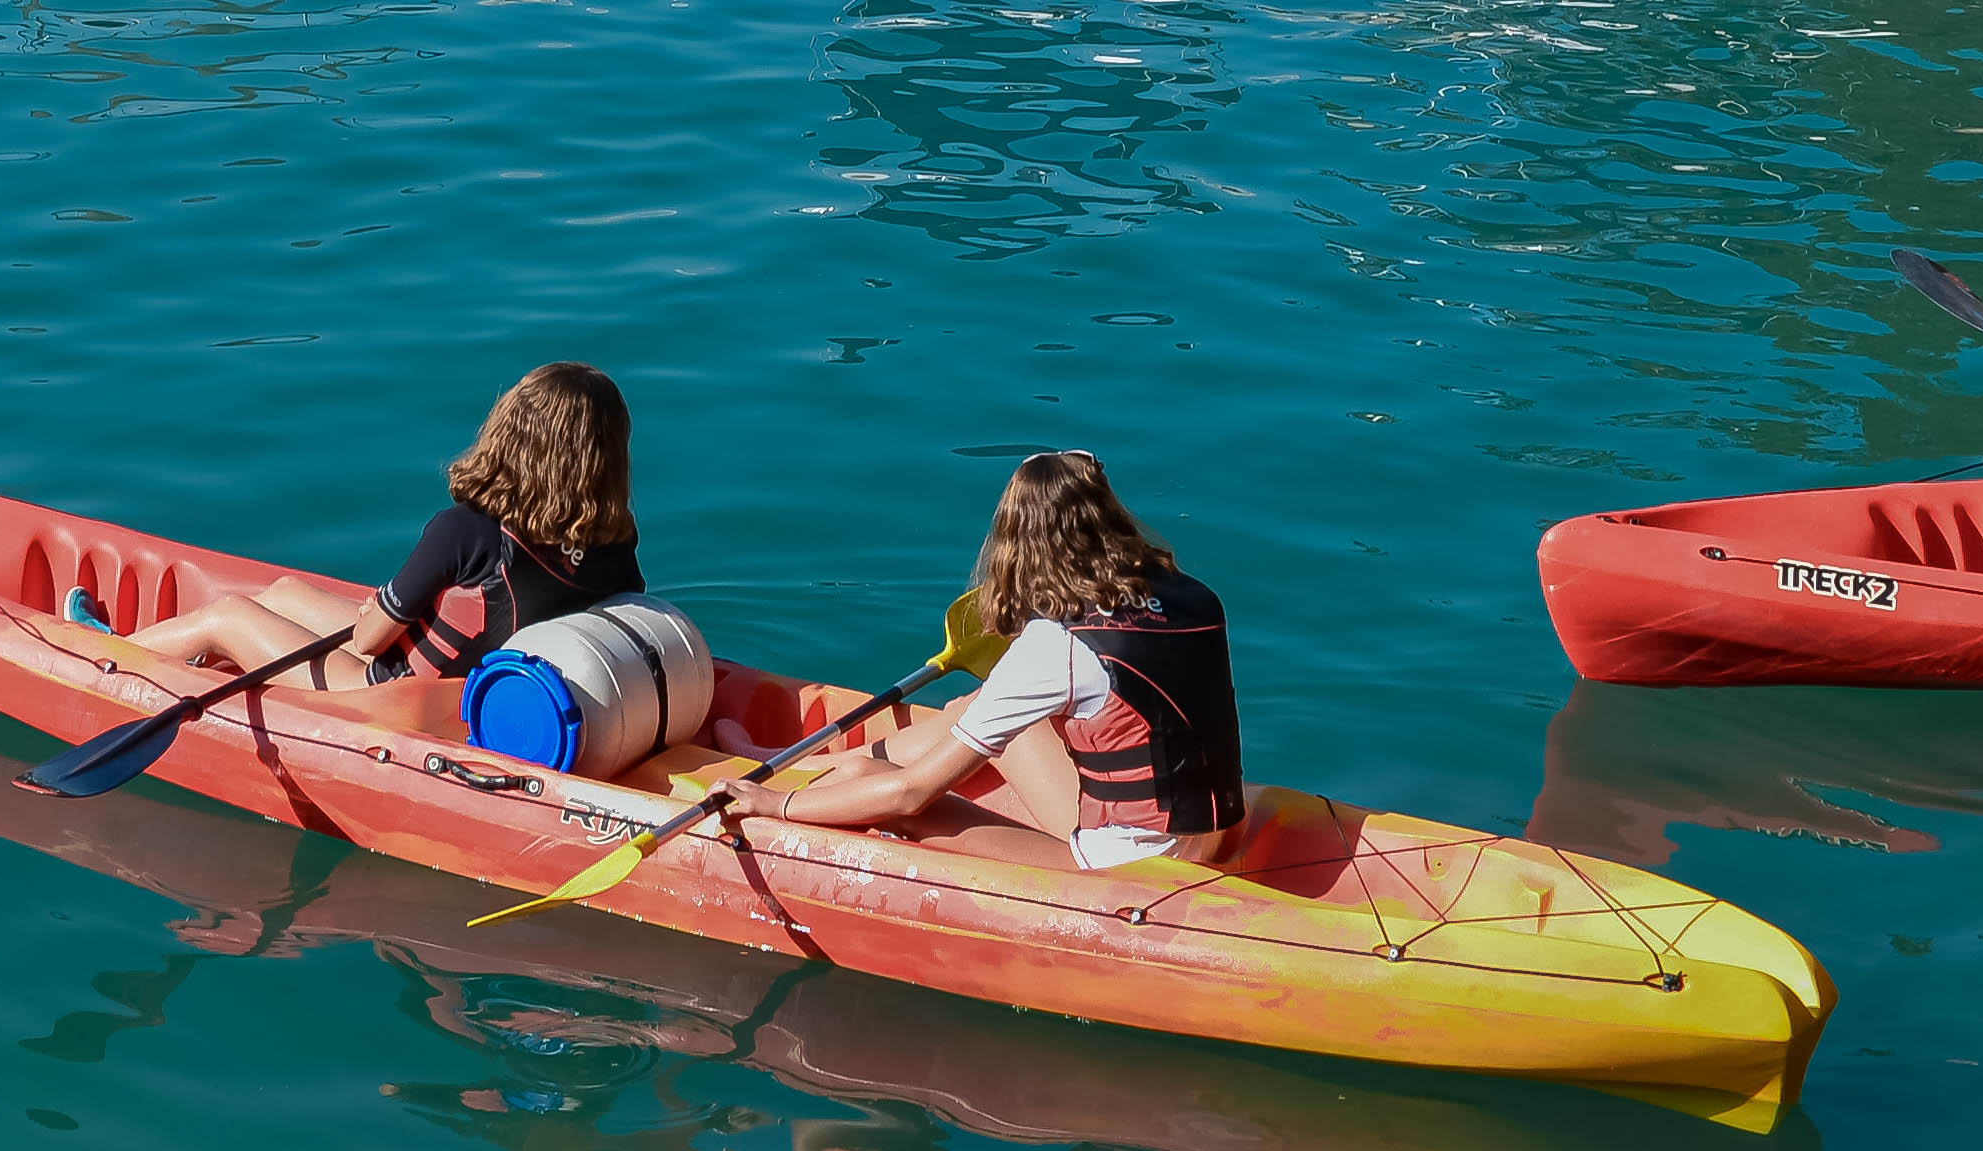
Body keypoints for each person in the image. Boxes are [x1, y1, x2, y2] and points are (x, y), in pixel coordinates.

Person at [752, 450, 1246, 871]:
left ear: (1018, 543)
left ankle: (809, 778)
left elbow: (911, 795)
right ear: (1110, 515)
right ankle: (814, 764)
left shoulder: (1055, 646)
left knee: (877, 787)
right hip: (1220, 834)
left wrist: (777, 805)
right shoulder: (1196, 597)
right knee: (981, 706)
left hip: (1132, 864)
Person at [122, 363, 642, 687]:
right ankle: (172, 657)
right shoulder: (615, 546)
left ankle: (104, 657)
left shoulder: (464, 532)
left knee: (230, 617)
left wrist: (377, 613)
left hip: (387, 696)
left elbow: (370, 642)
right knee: (282, 593)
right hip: (474, 689)